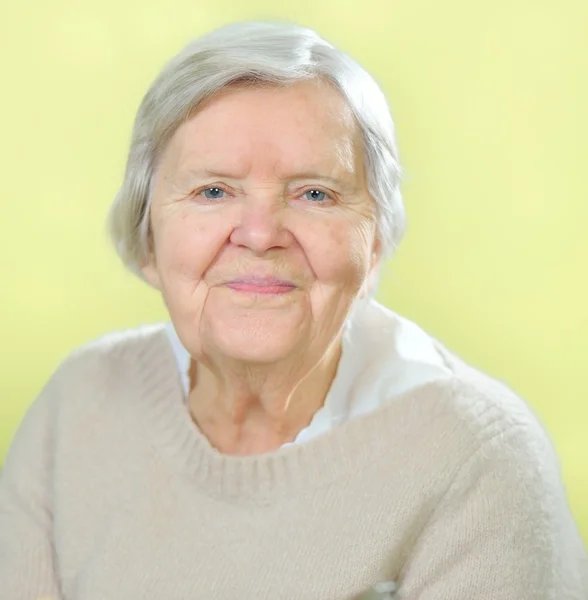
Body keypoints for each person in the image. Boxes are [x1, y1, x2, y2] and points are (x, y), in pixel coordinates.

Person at [0, 20, 586, 600]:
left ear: (374, 240)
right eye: (213, 191)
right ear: (148, 236)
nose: (259, 234)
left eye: (314, 193)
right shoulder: (76, 409)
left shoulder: (479, 460)